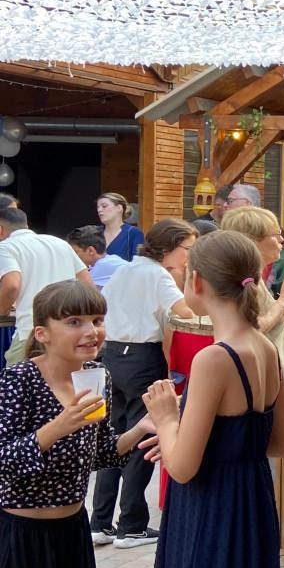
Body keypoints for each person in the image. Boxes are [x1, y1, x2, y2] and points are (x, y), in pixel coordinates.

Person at [135, 231, 284, 568]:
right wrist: (195, 432)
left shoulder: (213, 359)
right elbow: (282, 443)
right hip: (252, 508)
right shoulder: (263, 347)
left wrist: (167, 418)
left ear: (198, 281)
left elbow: (183, 468)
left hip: (210, 513)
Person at [0, 280, 155, 568]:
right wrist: (59, 425)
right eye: (74, 322)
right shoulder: (18, 381)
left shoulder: (95, 377)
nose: (91, 331)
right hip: (21, 539)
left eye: (97, 320)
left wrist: (141, 427)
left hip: (71, 535)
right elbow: (4, 461)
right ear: (42, 333)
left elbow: (101, 454)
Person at [91, 219, 196, 549]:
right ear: (169, 247)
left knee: (114, 437)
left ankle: (100, 522)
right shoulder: (157, 274)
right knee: (143, 435)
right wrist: (188, 279)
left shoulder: (124, 269)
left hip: (112, 355)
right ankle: (132, 525)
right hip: (141, 357)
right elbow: (187, 311)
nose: (189, 256)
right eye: (187, 249)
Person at [221, 207, 284, 376]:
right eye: (276, 234)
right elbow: (250, 329)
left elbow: (257, 316)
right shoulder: (246, 280)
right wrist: (281, 305)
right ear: (253, 241)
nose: (281, 239)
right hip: (255, 374)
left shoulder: (251, 275)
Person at [0, 207, 94, 367]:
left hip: (31, 331)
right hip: (68, 331)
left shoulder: (6, 247)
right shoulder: (60, 243)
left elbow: (11, 285)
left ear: (1, 229)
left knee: (16, 379)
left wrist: (2, 310)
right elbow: (87, 283)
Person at [96, 193, 144, 261]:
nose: (99, 210)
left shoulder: (133, 233)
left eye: (104, 206)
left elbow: (138, 263)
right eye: (98, 207)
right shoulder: (94, 233)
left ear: (119, 208)